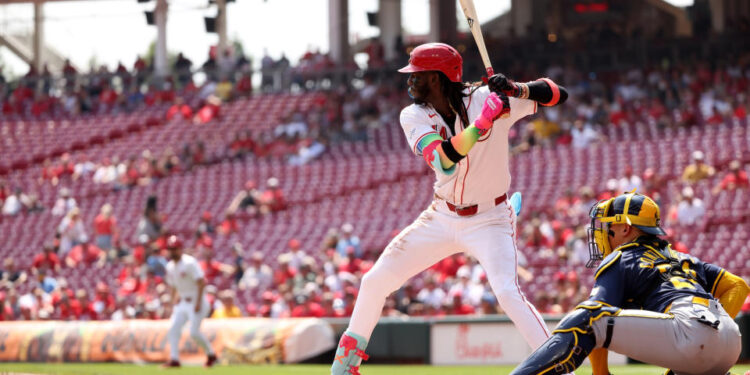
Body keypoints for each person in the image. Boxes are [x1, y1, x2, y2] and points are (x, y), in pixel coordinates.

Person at [331, 42, 568, 375]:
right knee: (374, 281)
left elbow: (558, 94)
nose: (410, 83)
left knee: (507, 294)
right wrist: (481, 124)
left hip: (491, 219)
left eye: (419, 76)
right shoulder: (413, 114)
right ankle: (343, 369)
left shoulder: (488, 97)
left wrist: (516, 88)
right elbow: (444, 163)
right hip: (441, 216)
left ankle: (562, 370)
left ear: (441, 78)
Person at [509, 192, 749, 375]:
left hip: (690, 334)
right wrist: (711, 333)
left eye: (610, 225)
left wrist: (600, 372)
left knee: (588, 318)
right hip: (730, 341)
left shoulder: (624, 256)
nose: (605, 231)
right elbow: (738, 286)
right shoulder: (681, 256)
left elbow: (596, 311)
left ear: (626, 228)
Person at [163, 235, 217, 368]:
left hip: (196, 300)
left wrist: (198, 302)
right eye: (170, 248)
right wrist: (172, 302)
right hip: (182, 301)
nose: (173, 251)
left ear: (180, 249)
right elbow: (174, 286)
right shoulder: (170, 266)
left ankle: (211, 354)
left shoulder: (189, 262)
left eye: (175, 248)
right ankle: (174, 359)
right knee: (173, 329)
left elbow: (201, 282)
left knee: (194, 332)